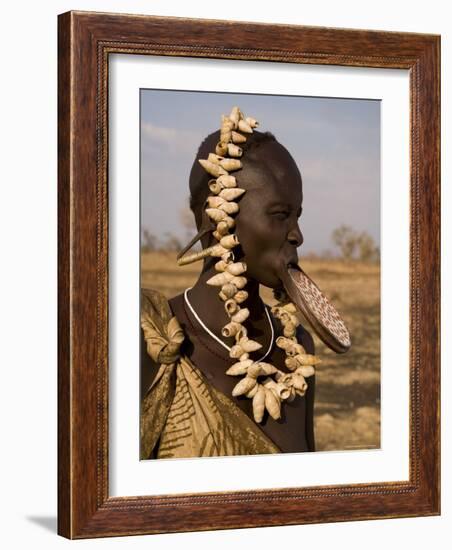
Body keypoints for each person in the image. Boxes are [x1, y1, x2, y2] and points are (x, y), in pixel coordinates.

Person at [140, 107, 317, 460]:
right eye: (281, 215)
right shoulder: (152, 339)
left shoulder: (296, 349)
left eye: (297, 216)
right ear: (216, 218)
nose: (297, 235)